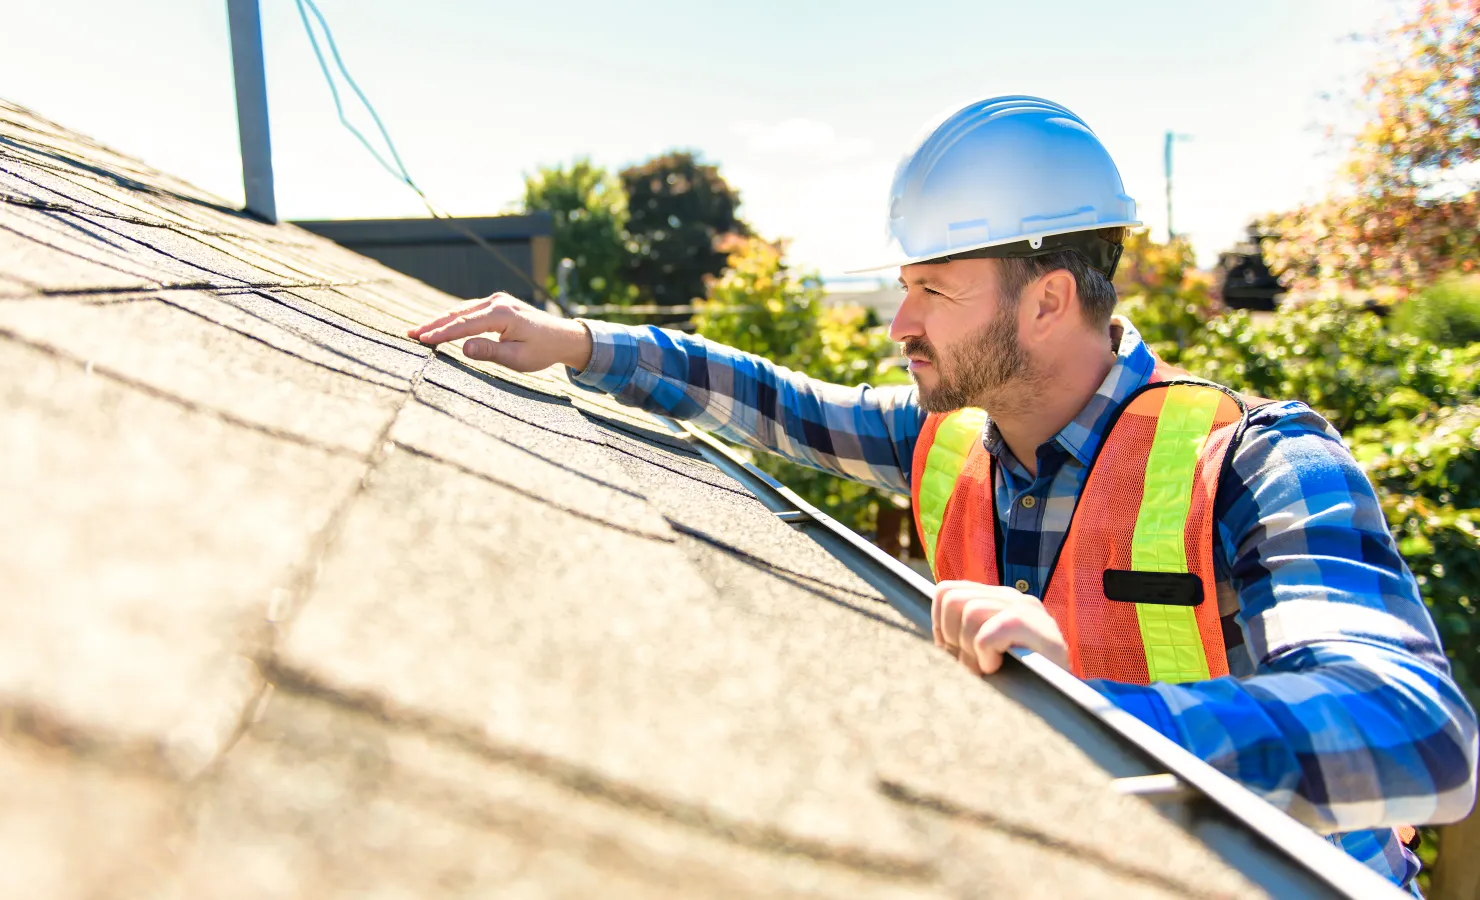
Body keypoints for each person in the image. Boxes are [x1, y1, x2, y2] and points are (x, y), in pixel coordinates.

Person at [412, 96, 1477, 890]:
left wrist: (1097, 721)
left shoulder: (1257, 462)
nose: (899, 323)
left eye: (930, 290)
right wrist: (582, 344)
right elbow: (781, 403)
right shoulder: (951, 439)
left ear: (1048, 299)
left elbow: (1422, 730)